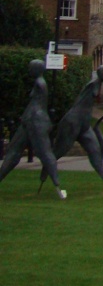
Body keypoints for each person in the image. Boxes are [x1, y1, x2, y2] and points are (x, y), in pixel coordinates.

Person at [0, 60, 65, 199]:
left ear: (37, 69)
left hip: (36, 121)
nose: (29, 69)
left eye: (31, 67)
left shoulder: (40, 84)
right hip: (29, 120)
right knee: (13, 151)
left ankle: (58, 185)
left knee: (45, 153)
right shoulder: (39, 82)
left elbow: (38, 105)